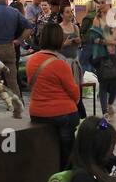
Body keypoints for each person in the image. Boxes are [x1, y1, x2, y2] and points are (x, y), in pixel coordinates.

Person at [28, 24, 81, 169]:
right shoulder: (60, 64)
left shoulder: (31, 61)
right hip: (62, 115)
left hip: (37, 113)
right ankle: (67, 173)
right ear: (59, 40)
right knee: (68, 152)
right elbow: (75, 93)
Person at [86, 0, 116, 115]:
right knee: (103, 82)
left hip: (114, 54)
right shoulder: (97, 19)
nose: (100, 5)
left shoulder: (114, 17)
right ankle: (104, 111)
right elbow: (95, 39)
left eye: (103, 3)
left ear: (109, 4)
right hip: (101, 55)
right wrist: (114, 42)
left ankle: (110, 103)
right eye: (99, 3)